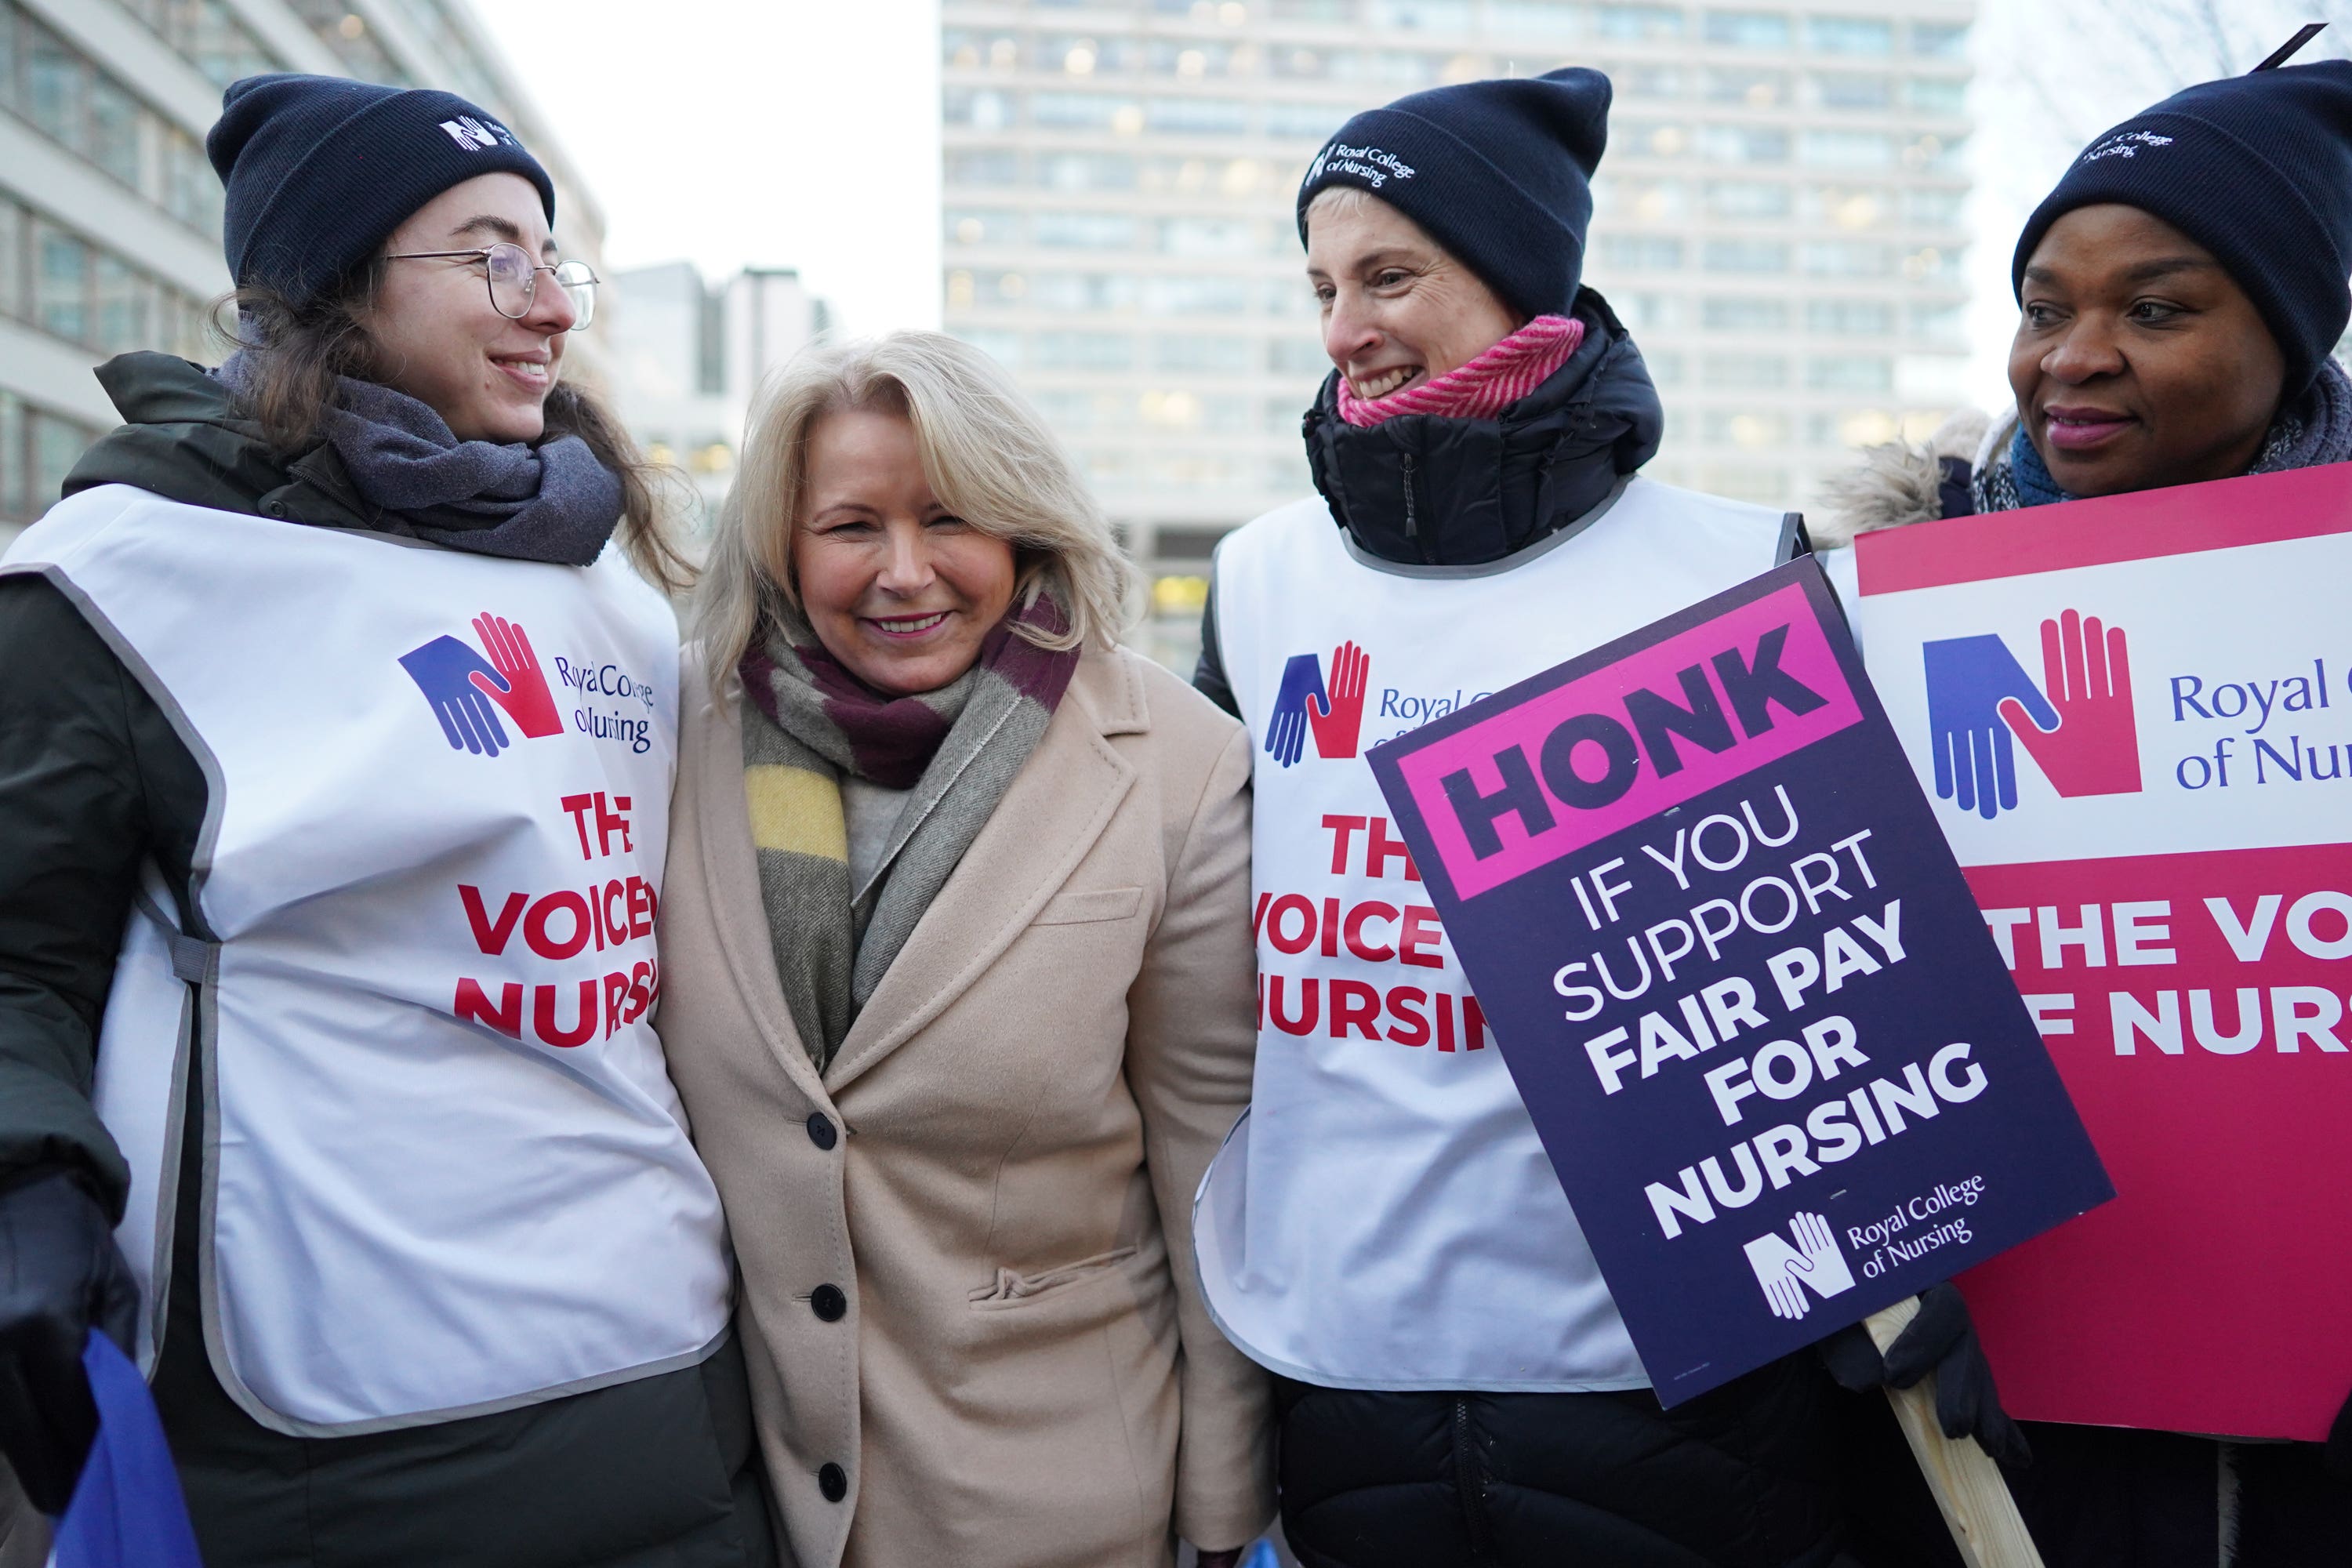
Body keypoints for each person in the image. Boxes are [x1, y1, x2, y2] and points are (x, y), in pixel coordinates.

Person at [1186, 68, 2017, 1568]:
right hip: (1342, 1373)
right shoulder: (1258, 582)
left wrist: (1920, 1242)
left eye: (1390, 275)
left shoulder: (1737, 567)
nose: (1340, 331)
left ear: (1520, 278)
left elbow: (1853, 960)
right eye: (1320, 284)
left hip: (1675, 1385)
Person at [0, 74, 770, 1566]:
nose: (550, 305)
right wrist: (23, 1176)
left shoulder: (600, 579)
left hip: (665, 1388)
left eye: (555, 262)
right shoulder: (129, 575)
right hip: (324, 1441)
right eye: (491, 254)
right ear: (331, 287)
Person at [1813, 60, 2352, 1568]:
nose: (2075, 357)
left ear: (2293, 335)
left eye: (2159, 309)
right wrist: (1880, 1258)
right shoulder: (1865, 631)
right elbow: (1796, 1007)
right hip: (1992, 1447)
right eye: (2047, 308)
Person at [654, 332, 1275, 1568]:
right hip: (747, 1508)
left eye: (949, 518)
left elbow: (1217, 1186)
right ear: (782, 541)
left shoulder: (1179, 766)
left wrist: (1222, 1512)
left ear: (1021, 527)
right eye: (850, 527)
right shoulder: (671, 738)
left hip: (1066, 1508)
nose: (904, 573)